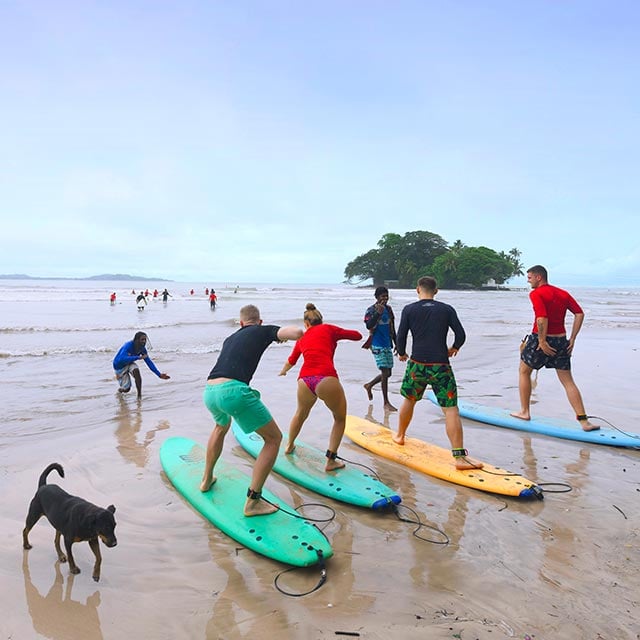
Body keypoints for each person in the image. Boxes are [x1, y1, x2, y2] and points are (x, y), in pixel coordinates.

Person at [200, 304, 302, 516]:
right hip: (233, 391)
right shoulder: (261, 330)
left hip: (210, 390)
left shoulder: (230, 338)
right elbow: (297, 332)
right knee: (273, 439)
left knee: (221, 426)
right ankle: (253, 501)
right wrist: (278, 335)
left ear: (241, 323)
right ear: (259, 321)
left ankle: (206, 479)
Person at [392, 276, 482, 470]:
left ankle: (399, 436)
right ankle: (459, 457)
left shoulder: (409, 310)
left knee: (409, 400)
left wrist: (401, 353)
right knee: (450, 409)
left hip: (417, 364)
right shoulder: (446, 309)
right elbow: (461, 334)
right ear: (436, 291)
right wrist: (454, 347)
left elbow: (401, 335)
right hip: (440, 365)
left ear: (418, 290)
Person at [510, 265, 598, 431]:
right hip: (561, 340)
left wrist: (542, 341)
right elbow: (579, 313)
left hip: (540, 340)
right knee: (568, 381)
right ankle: (584, 421)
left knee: (523, 371)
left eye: (529, 277)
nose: (528, 281)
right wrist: (572, 338)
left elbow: (541, 318)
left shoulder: (536, 293)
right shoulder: (563, 293)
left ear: (538, 277)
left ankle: (524, 412)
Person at [279, 303, 362, 471]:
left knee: (300, 414)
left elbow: (291, 360)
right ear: (321, 320)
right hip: (326, 378)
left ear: (306, 324)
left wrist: (283, 371)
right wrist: (338, 334)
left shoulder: (302, 337)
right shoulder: (329, 329)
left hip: (305, 380)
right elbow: (357, 335)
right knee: (339, 418)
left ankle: (289, 446)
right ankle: (331, 461)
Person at [363, 286, 397, 411]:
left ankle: (369, 385)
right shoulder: (371, 310)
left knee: (388, 373)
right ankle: (386, 402)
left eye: (386, 296)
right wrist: (378, 313)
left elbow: (392, 327)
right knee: (384, 372)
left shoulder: (389, 309)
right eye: (382, 296)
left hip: (387, 343)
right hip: (376, 344)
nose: (385, 298)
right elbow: (368, 325)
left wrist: (397, 344)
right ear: (377, 297)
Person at [112, 332, 170, 399]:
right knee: (127, 389)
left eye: (145, 340)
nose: (144, 341)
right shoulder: (128, 345)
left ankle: (139, 396)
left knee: (136, 371)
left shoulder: (142, 349)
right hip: (119, 366)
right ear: (136, 340)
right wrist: (138, 357)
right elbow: (122, 358)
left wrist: (159, 374)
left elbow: (149, 362)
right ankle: (119, 391)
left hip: (129, 363)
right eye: (142, 339)